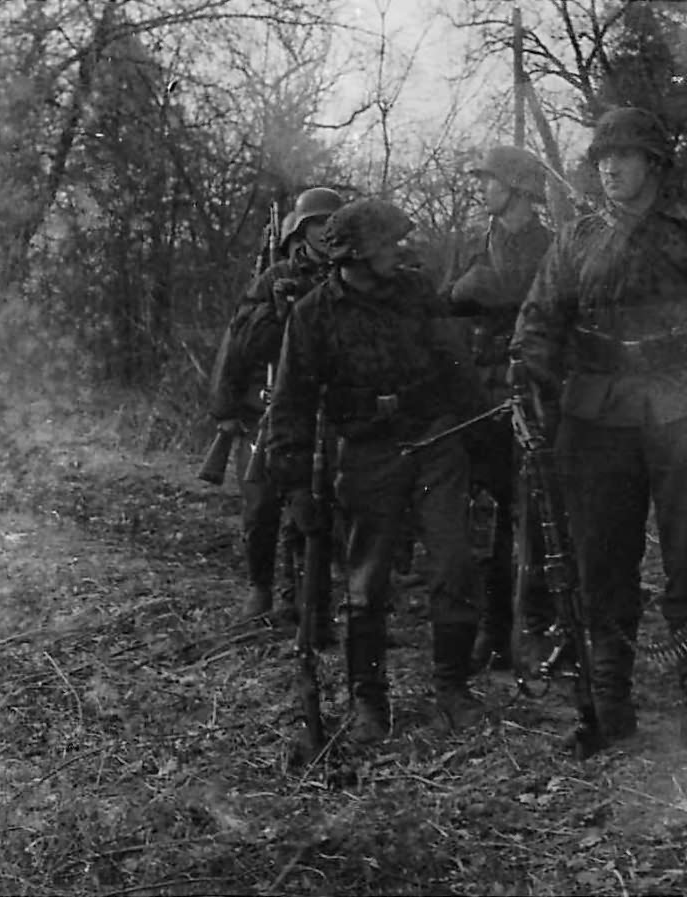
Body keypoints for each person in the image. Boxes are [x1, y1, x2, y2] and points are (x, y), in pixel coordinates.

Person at [510, 106, 687, 758]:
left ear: (654, 164)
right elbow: (539, 323)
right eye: (601, 159)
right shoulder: (574, 241)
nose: (611, 169)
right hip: (595, 417)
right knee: (599, 564)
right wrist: (528, 390)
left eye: (624, 157)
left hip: (685, 409)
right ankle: (609, 704)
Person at [267, 197, 490, 741]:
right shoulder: (313, 314)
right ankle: (369, 703)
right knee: (366, 583)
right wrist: (295, 486)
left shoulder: (415, 294)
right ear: (358, 255)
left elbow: (456, 368)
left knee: (454, 565)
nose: (397, 251)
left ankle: (453, 689)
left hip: (435, 436)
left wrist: (485, 439)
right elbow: (291, 404)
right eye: (387, 243)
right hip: (367, 450)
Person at [209, 186, 343, 623]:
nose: (327, 232)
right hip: (265, 408)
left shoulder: (345, 278)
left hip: (320, 410)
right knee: (261, 504)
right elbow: (240, 344)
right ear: (301, 233)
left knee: (314, 503)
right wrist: (278, 313)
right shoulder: (273, 279)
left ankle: (300, 592)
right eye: (318, 224)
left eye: (332, 224)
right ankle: (260, 585)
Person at [447, 145, 554, 673]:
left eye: (491, 180)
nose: (482, 188)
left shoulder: (552, 248)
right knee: (484, 523)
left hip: (534, 395)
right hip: (478, 399)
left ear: (516, 188)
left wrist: (484, 290)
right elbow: (447, 302)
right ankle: (490, 627)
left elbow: (532, 301)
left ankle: (533, 630)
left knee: (534, 517)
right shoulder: (475, 244)